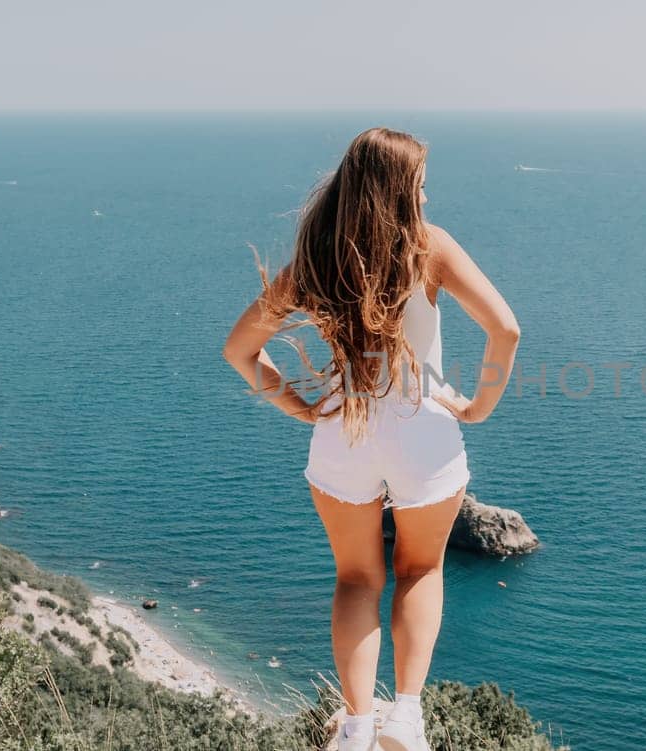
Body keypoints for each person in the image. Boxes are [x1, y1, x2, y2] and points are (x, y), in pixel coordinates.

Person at [223, 127, 520, 751]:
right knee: (420, 568)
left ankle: (356, 728)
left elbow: (240, 350)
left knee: (357, 578)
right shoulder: (428, 247)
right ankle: (405, 717)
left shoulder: (317, 256)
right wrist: (476, 408)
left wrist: (302, 407)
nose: (426, 194)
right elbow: (506, 330)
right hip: (425, 432)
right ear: (402, 186)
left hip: (342, 432)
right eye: (419, 182)